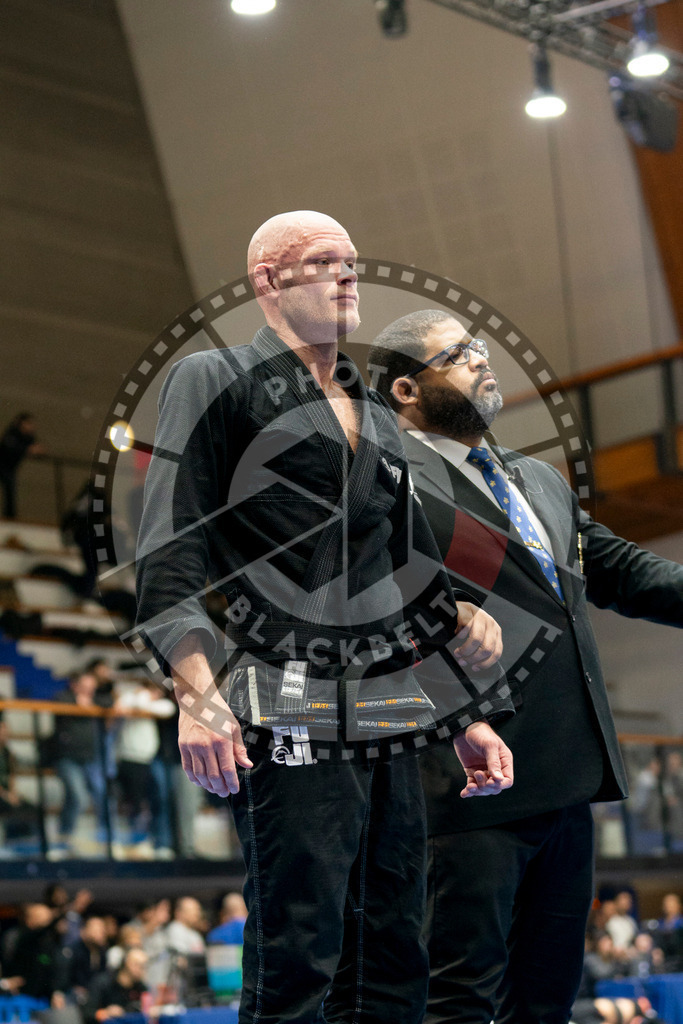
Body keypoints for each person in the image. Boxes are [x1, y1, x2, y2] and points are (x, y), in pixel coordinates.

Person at [136, 211, 515, 1024]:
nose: (348, 277)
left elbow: (398, 572)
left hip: (388, 700)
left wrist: (463, 714)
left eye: (351, 263)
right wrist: (195, 693)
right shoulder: (213, 379)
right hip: (282, 685)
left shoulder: (374, 412)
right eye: (323, 263)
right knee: (301, 936)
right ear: (268, 280)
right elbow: (170, 543)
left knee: (393, 939)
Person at [367, 308, 683, 1024]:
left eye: (479, 347)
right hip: (468, 783)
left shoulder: (536, 480)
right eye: (457, 354)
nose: (481, 359)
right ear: (406, 391)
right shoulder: (387, 483)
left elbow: (622, 572)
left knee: (548, 993)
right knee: (459, 996)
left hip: (566, 776)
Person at [0, 413, 44, 519]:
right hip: (2, 466)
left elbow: (37, 449)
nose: (31, 426)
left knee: (10, 491)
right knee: (9, 487)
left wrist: (38, 450)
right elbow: (10, 447)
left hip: (10, 469)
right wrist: (27, 450)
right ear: (22, 423)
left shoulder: (28, 437)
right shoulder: (12, 432)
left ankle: (10, 517)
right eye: (28, 423)